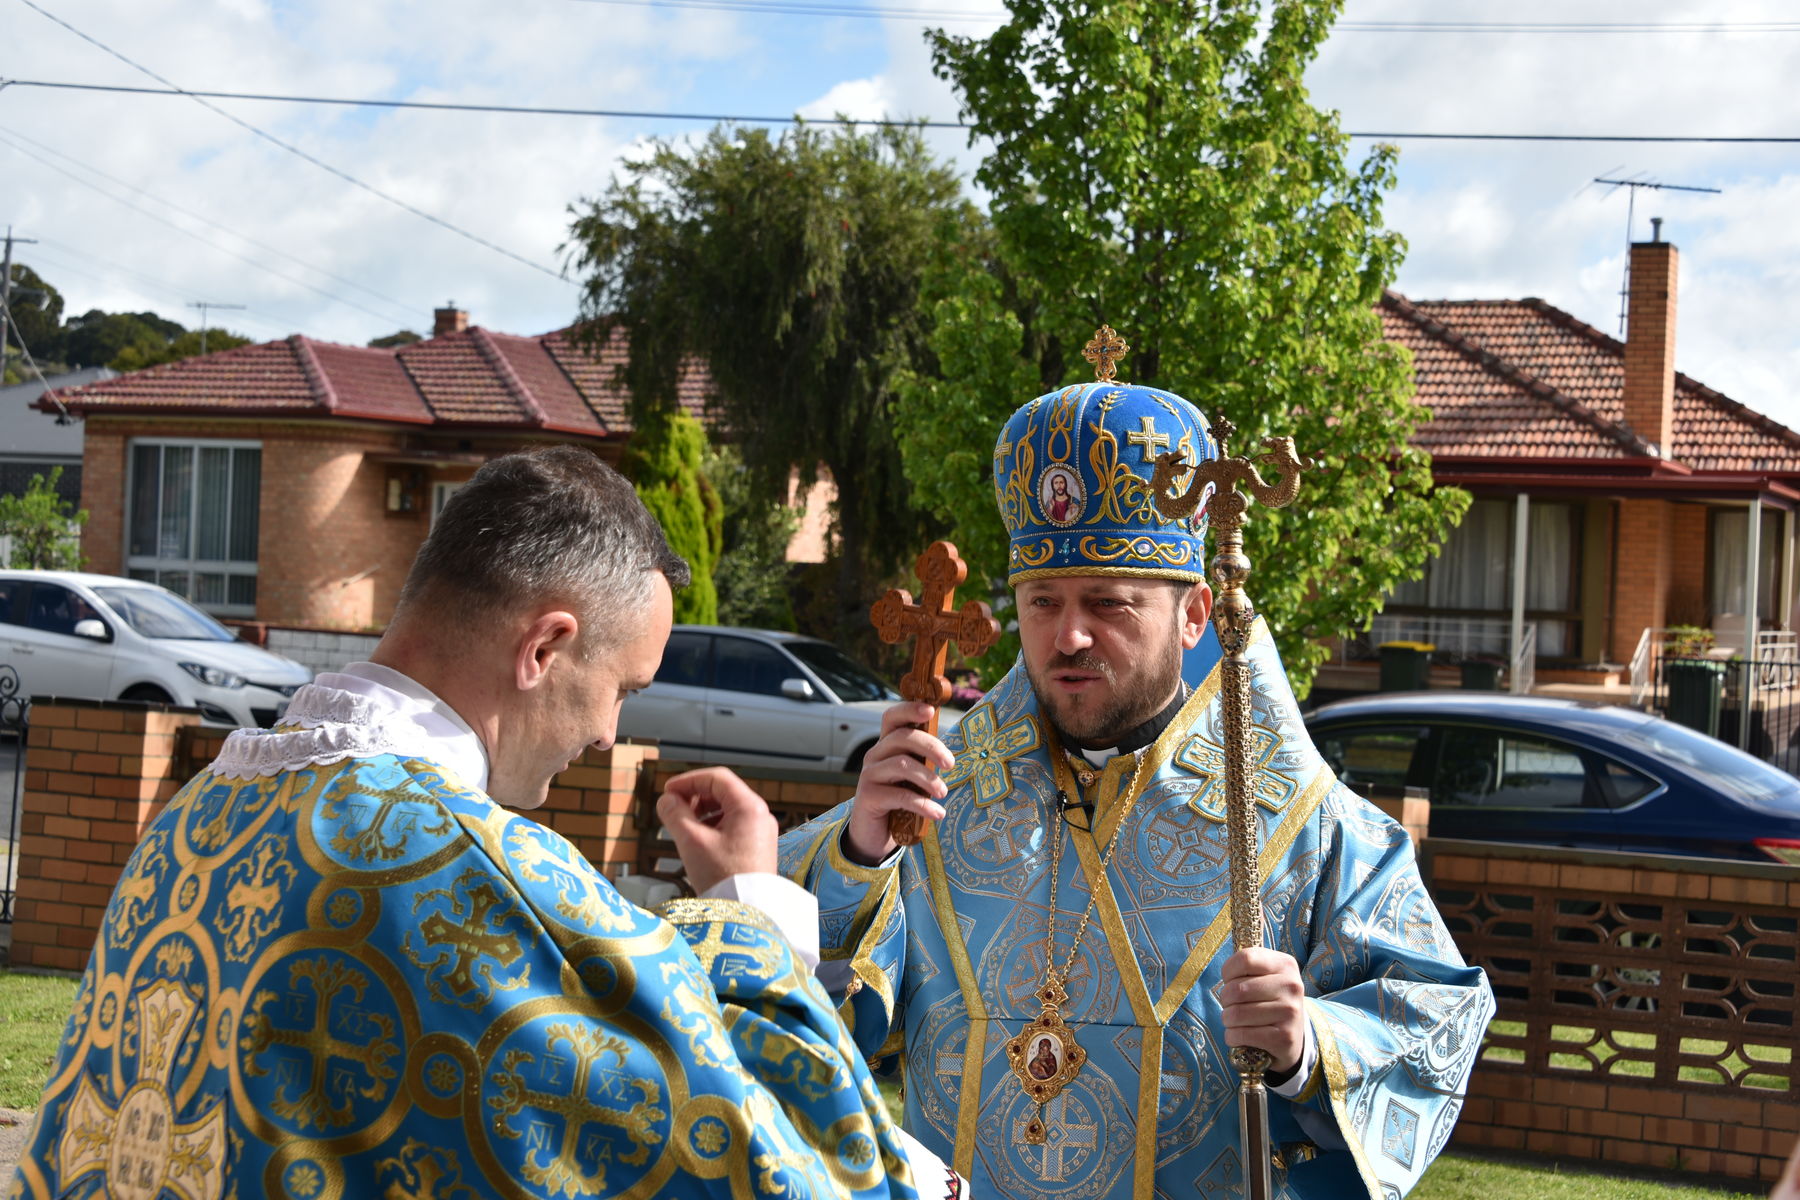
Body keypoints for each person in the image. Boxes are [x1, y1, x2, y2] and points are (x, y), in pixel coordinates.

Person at [14, 447, 947, 1200]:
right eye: (622, 688)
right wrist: (748, 906)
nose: (612, 731)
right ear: (545, 647)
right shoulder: (480, 875)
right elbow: (798, 1159)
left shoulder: (195, 818)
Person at [780, 347, 1495, 1198]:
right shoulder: (943, 802)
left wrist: (1310, 1047)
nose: (1067, 637)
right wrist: (861, 856)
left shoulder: (1308, 827)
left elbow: (1436, 1021)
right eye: (1043, 603)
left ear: (1194, 614)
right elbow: (796, 1009)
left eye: (1108, 604)